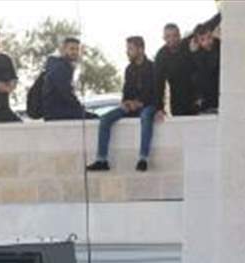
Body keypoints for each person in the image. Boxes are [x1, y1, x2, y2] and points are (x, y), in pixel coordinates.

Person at [86, 36, 157, 173]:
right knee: (105, 119)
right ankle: (102, 160)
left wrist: (140, 103)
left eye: (130, 49)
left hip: (148, 105)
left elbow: (154, 91)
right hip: (131, 106)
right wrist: (126, 102)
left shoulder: (152, 67)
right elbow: (126, 90)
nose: (127, 52)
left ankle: (143, 159)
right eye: (127, 49)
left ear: (141, 49)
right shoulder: (129, 69)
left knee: (146, 116)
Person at [153, 23, 197, 120]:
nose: (172, 39)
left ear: (179, 36)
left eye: (175, 35)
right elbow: (158, 83)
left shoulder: (187, 44)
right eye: (168, 36)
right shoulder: (161, 55)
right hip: (177, 101)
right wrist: (159, 108)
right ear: (164, 38)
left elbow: (203, 28)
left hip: (196, 98)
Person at [42, 37, 89, 121]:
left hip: (56, 113)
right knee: (95, 119)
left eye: (77, 49)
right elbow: (66, 92)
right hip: (59, 113)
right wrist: (79, 107)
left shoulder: (59, 65)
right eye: (72, 49)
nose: (75, 52)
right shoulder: (60, 67)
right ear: (63, 50)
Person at [192, 23, 220, 114]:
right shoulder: (197, 54)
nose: (207, 42)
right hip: (206, 99)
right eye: (203, 39)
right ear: (197, 42)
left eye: (209, 37)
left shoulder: (220, 46)